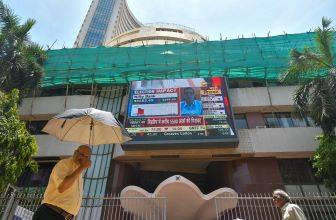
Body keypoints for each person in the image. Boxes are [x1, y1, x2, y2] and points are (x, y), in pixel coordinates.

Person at [33, 145, 92, 220]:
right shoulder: (64, 164)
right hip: (51, 213)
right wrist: (82, 168)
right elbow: (62, 187)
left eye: (86, 157)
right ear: (75, 152)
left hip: (65, 217)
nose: (83, 158)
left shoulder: (78, 172)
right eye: (82, 155)